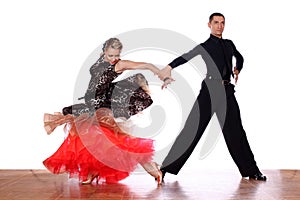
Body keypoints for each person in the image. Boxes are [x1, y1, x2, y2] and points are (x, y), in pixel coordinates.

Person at [158, 13, 266, 181]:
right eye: (216, 23)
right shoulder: (205, 46)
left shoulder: (229, 44)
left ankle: (252, 171)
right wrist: (169, 66)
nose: (219, 26)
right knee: (191, 130)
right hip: (209, 90)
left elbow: (239, 57)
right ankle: (164, 168)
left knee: (237, 132)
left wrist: (237, 68)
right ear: (209, 24)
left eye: (222, 23)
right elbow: (186, 56)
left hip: (227, 91)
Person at [43, 38, 163, 185]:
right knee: (89, 137)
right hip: (90, 105)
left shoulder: (120, 64)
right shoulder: (101, 60)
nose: (113, 59)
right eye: (110, 55)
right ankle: (92, 170)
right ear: (104, 52)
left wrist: (161, 73)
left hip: (101, 108)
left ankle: (151, 167)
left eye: (116, 55)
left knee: (113, 140)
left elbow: (146, 65)